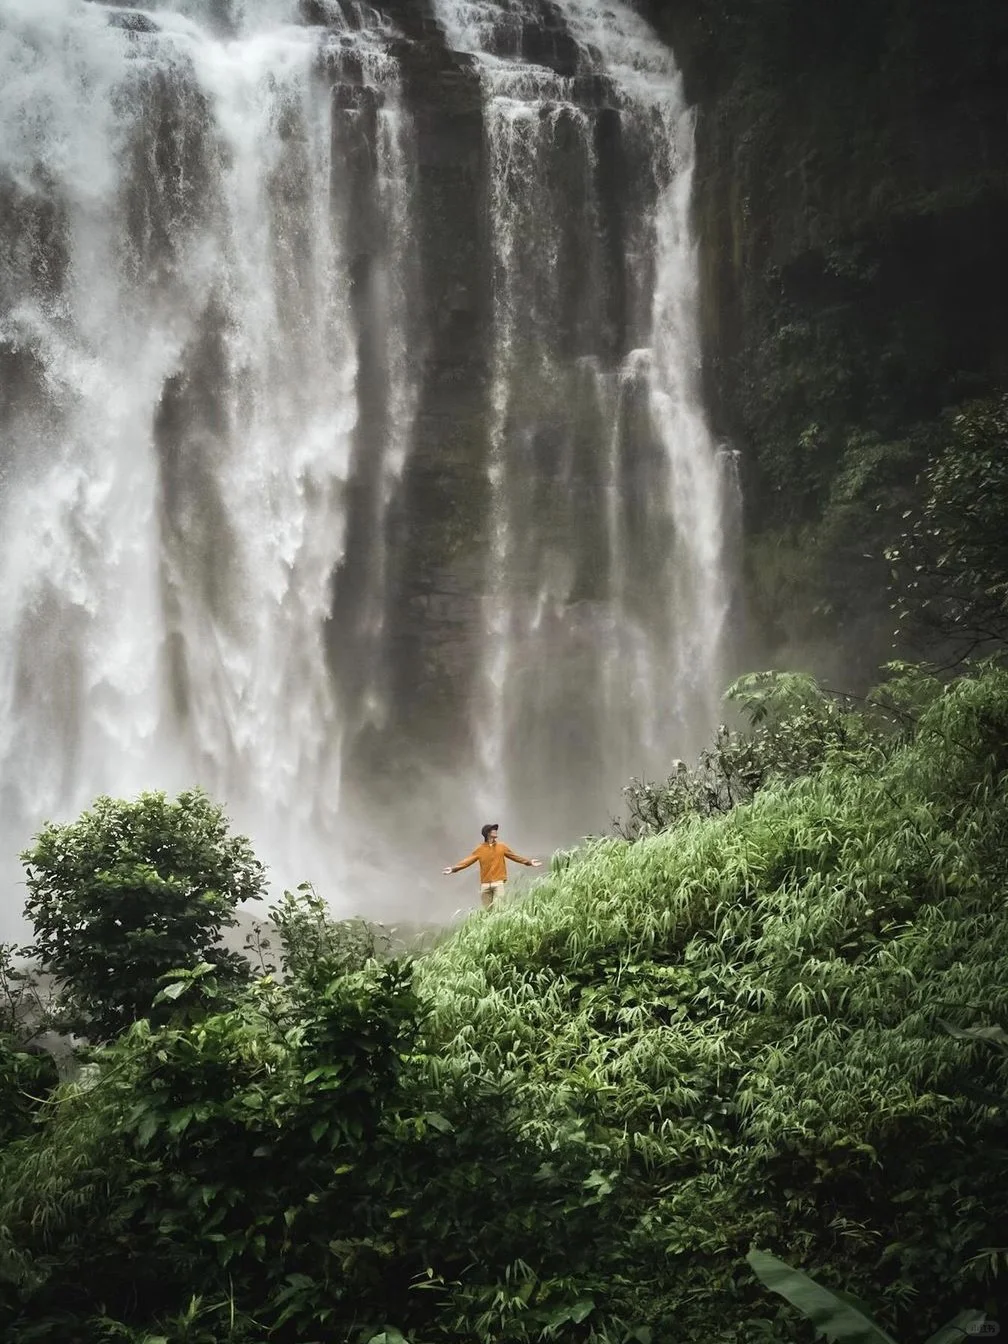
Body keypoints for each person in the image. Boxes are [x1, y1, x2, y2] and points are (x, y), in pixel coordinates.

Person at [443, 822, 542, 908]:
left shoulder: (502, 846)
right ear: (487, 833)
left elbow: (514, 856)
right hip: (485, 884)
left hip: (498, 883)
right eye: (493, 830)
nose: (496, 831)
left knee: (500, 909)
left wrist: (529, 862)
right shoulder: (480, 849)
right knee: (487, 912)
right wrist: (453, 869)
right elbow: (467, 861)